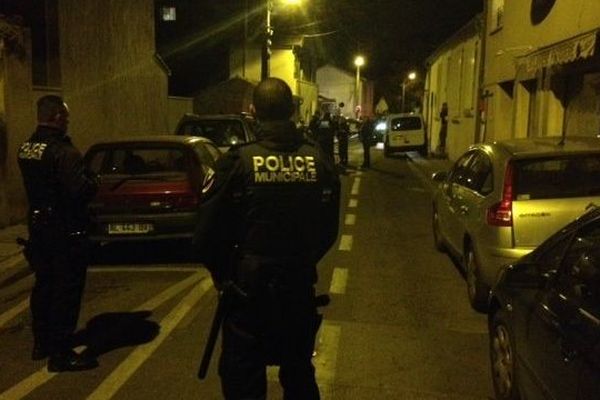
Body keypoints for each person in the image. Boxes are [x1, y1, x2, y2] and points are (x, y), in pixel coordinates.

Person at [194, 78, 340, 399]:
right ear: (291, 111)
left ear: (253, 112)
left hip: (247, 294)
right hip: (298, 290)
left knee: (243, 376)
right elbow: (328, 229)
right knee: (299, 373)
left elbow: (205, 234)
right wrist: (300, 259)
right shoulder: (318, 160)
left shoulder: (238, 161)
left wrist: (225, 277)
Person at [17, 95, 99, 372]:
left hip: (38, 227)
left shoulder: (27, 147)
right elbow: (79, 191)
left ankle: (41, 343)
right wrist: (92, 182)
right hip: (64, 230)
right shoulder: (64, 152)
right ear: (57, 117)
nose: (68, 121)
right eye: (66, 116)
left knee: (44, 286)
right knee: (66, 290)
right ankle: (61, 353)